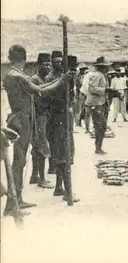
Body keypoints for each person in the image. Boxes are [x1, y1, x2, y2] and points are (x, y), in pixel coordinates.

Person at [3, 44, 68, 216]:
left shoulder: (11, 74)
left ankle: (17, 199)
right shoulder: (18, 76)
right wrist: (61, 80)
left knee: (21, 160)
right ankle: (13, 203)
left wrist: (58, 79)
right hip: (22, 120)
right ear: (24, 59)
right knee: (20, 161)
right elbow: (40, 91)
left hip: (19, 118)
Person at [45, 52, 79, 202]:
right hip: (57, 119)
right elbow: (54, 100)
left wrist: (70, 82)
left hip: (64, 118)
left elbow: (70, 97)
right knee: (63, 155)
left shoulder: (64, 78)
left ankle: (59, 187)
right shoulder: (50, 79)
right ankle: (67, 190)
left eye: (61, 62)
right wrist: (64, 82)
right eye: (56, 62)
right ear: (52, 63)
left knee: (64, 154)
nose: (59, 64)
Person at [29, 53, 53, 188]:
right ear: (38, 65)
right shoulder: (35, 80)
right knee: (42, 147)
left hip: (43, 117)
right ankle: (42, 179)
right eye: (45, 64)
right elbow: (38, 102)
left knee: (37, 147)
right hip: (37, 117)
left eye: (49, 64)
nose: (48, 67)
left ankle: (34, 176)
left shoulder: (44, 79)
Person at [86, 56, 115, 154]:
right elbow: (92, 89)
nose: (107, 68)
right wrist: (106, 90)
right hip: (96, 103)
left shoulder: (103, 75)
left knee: (101, 126)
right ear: (101, 67)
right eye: (105, 67)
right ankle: (98, 148)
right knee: (100, 126)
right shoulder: (97, 75)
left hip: (101, 103)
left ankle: (99, 147)